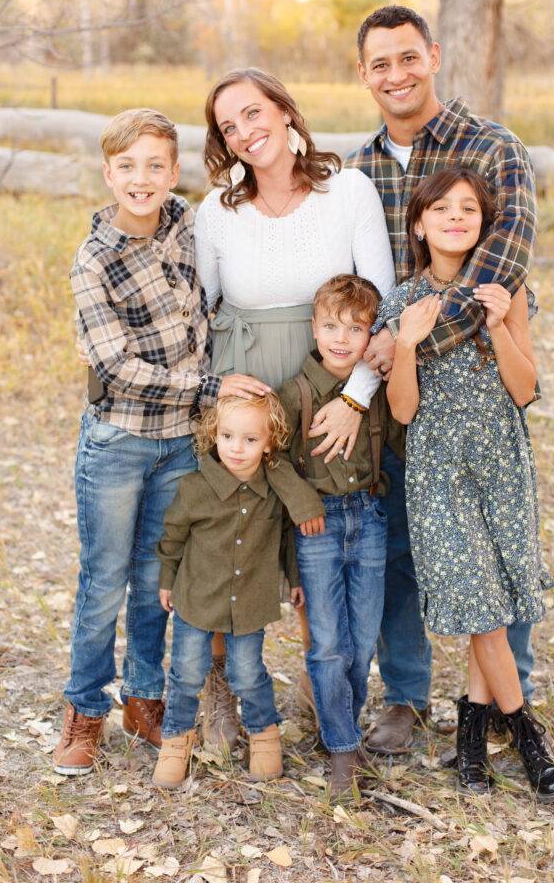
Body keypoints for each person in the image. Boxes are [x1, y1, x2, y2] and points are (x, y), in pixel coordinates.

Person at [335, 5, 539, 753]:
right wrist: (383, 354)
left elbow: (504, 258)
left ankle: (506, 699)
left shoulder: (491, 148)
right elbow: (352, 278)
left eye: (407, 57)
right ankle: (407, 697)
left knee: (493, 536)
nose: (395, 74)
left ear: (434, 56)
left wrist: (410, 336)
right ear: (363, 74)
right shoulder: (357, 170)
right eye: (379, 63)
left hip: (477, 372)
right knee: (400, 545)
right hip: (402, 385)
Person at [54, 109, 269, 776]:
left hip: (179, 445)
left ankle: (142, 701)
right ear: (108, 173)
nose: (141, 179)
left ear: (173, 172)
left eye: (155, 165)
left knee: (155, 583)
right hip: (119, 443)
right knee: (104, 584)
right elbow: (117, 368)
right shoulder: (94, 261)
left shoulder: (184, 223)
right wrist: (209, 388)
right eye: (127, 166)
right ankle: (83, 712)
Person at [194, 68, 396, 747]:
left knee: (320, 536)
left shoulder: (348, 192)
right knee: (233, 541)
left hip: (330, 394)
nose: (246, 132)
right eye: (229, 126)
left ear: (284, 111)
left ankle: (324, 687)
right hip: (244, 386)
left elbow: (382, 307)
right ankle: (219, 691)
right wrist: (212, 389)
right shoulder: (216, 209)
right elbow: (199, 314)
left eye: (254, 113)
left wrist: (353, 401)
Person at [378, 167, 554, 802]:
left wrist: (496, 324)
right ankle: (525, 733)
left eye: (469, 209)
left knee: (496, 596)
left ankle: (469, 740)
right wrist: (405, 344)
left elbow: (526, 389)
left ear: (484, 224)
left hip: (500, 459)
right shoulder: (404, 303)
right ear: (419, 224)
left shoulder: (505, 290)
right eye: (443, 209)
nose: (456, 218)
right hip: (438, 466)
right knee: (478, 600)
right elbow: (402, 412)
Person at [152, 392, 325, 789]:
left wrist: (294, 578)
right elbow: (173, 536)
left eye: (250, 439)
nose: (236, 448)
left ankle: (264, 735)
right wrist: (166, 579)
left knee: (247, 673)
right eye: (228, 436)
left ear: (269, 444)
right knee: (186, 673)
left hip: (249, 602)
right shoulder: (196, 488)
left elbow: (286, 537)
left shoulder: (272, 491)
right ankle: (176, 741)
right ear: (214, 435)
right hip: (197, 598)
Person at [278, 274, 404, 798]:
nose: (340, 338)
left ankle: (341, 727)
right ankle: (343, 752)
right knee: (328, 645)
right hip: (317, 529)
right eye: (330, 325)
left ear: (371, 335)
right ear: (313, 327)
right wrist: (304, 503)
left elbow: (402, 431)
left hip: (369, 521)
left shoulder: (369, 391)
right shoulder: (295, 392)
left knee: (361, 641)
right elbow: (272, 460)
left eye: (355, 329)